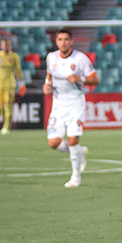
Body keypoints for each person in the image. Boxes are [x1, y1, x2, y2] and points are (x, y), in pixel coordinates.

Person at [43, 29, 98, 188]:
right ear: (56, 41)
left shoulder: (80, 59)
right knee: (53, 143)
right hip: (58, 105)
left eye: (66, 39)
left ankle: (76, 177)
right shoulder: (51, 57)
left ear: (71, 41)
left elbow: (94, 80)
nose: (63, 42)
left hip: (76, 104)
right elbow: (49, 76)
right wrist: (46, 86)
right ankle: (79, 152)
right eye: (60, 39)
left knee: (73, 139)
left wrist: (80, 78)